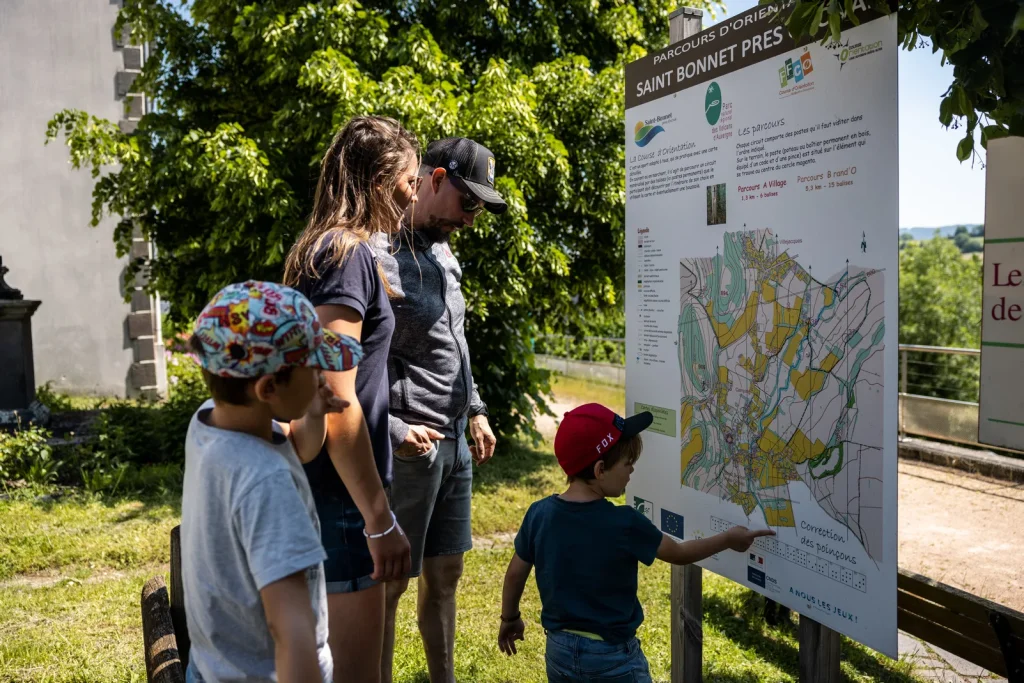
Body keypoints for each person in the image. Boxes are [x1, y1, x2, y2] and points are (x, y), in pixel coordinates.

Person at [283, 115, 420, 681]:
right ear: (382, 178)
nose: (412, 199)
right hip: (343, 505)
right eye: (410, 182)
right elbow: (334, 398)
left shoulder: (318, 250)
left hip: (327, 495)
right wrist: (379, 519)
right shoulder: (346, 256)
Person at [497, 403, 775, 682]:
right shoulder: (624, 523)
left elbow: (515, 574)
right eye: (628, 463)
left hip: (559, 651)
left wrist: (510, 618)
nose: (632, 470)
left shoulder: (539, 513)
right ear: (600, 469)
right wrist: (728, 539)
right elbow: (678, 553)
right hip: (612, 657)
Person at [181, 280, 363, 683]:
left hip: (216, 666)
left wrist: (311, 412)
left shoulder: (214, 422)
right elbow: (291, 627)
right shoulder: (266, 482)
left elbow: (296, 448)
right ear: (268, 389)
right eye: (312, 365)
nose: (322, 374)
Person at [376, 137, 505, 683]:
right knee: (391, 582)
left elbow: (456, 338)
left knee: (446, 571)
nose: (471, 218)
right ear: (433, 178)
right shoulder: (375, 253)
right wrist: (396, 429)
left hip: (456, 441)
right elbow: (358, 361)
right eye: (467, 202)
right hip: (411, 449)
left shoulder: (444, 249)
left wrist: (474, 407)